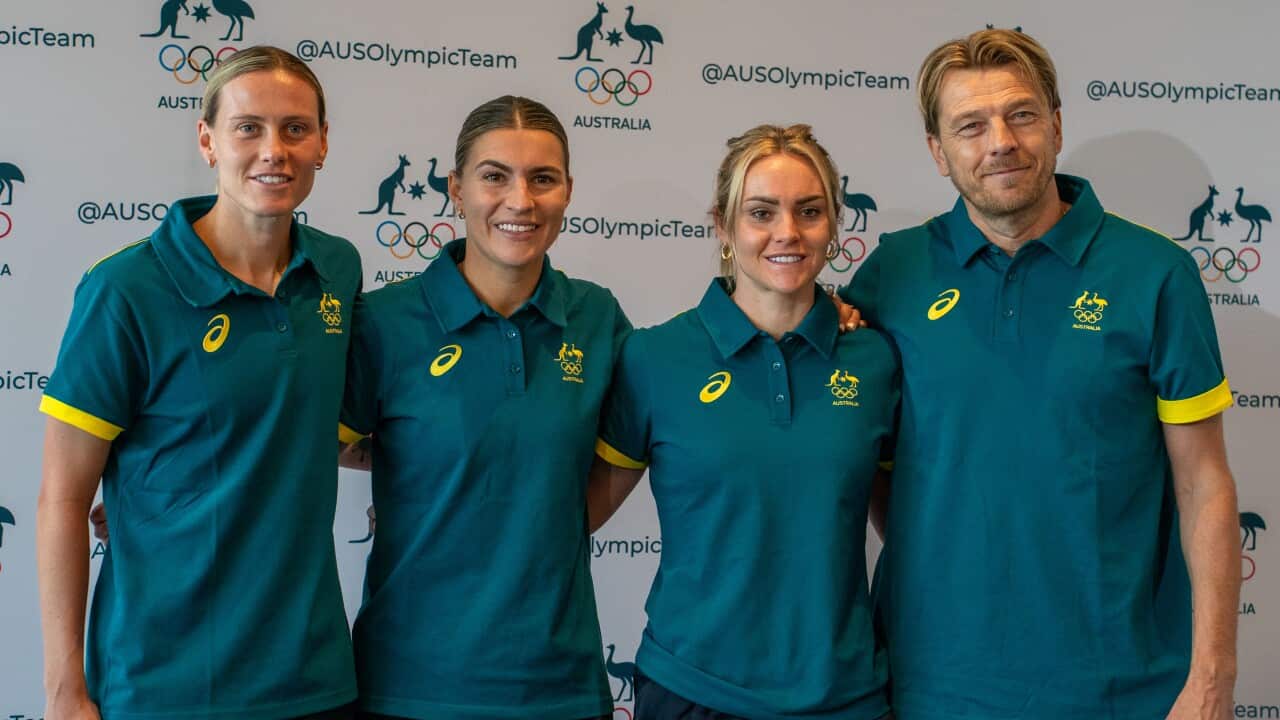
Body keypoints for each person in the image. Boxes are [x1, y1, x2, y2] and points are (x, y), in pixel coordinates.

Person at [839, 28, 1239, 719]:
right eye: (970, 125)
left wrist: (1211, 679)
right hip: (931, 685)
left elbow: (1204, 484)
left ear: (1055, 125)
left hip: (1123, 689)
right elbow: (863, 462)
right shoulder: (888, 277)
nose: (1001, 141)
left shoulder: (1155, 275)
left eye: (1021, 114)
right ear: (939, 152)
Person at [37, 47, 359, 720]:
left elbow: (315, 424)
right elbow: (63, 502)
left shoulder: (339, 269)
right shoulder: (124, 291)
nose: (274, 149)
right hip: (164, 684)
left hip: (312, 680)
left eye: (296, 128)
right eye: (249, 128)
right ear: (208, 140)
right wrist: (66, 694)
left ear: (323, 142)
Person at [589, 124, 898, 720]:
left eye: (809, 211)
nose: (787, 232)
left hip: (844, 694)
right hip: (694, 691)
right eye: (762, 212)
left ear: (834, 223)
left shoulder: (876, 359)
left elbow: (904, 526)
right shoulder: (654, 358)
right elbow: (580, 511)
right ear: (724, 226)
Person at [337, 95, 629, 720]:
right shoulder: (384, 324)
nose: (520, 200)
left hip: (562, 689)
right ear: (456, 189)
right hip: (408, 685)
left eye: (542, 178)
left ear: (568, 191)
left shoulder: (599, 318)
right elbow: (289, 447)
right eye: (495, 175)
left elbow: (679, 434)